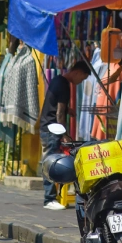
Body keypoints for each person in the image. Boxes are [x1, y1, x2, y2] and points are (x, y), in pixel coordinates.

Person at [39, 60, 90, 210]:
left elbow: (57, 106)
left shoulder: (57, 80)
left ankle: (51, 197)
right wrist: (64, 134)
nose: (81, 82)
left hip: (47, 126)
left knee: (50, 160)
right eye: (83, 78)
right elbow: (59, 112)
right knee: (50, 162)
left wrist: (68, 110)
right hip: (52, 129)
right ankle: (49, 199)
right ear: (78, 72)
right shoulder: (64, 85)